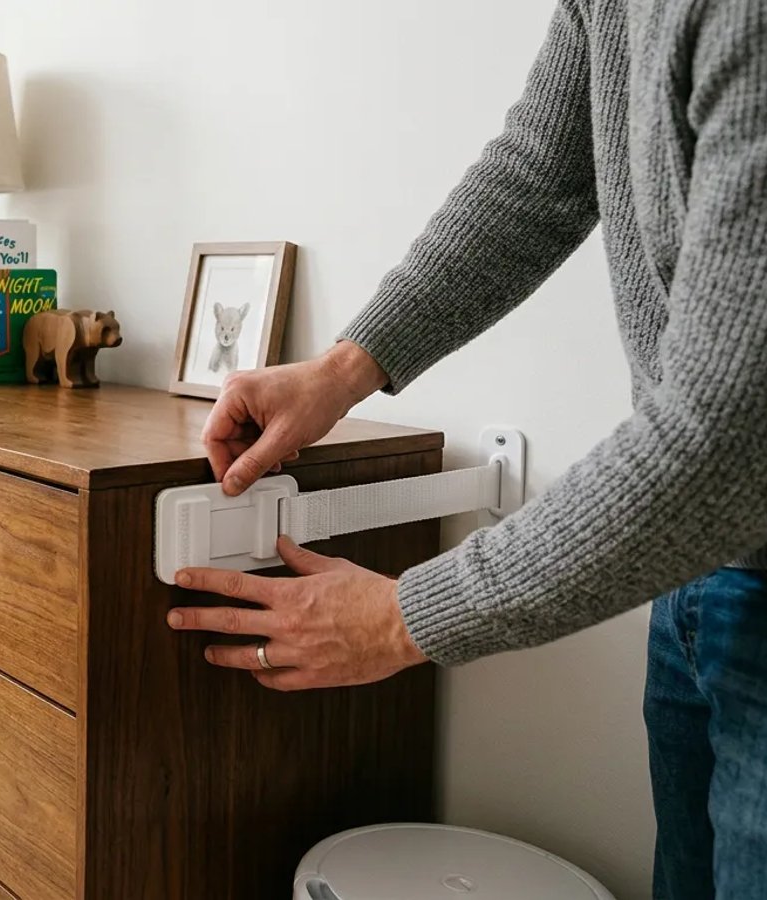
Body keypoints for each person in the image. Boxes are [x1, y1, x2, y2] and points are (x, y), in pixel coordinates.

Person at [162, 2, 767, 898]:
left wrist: (402, 617)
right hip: (692, 568)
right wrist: (342, 369)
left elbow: (728, 436)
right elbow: (536, 178)